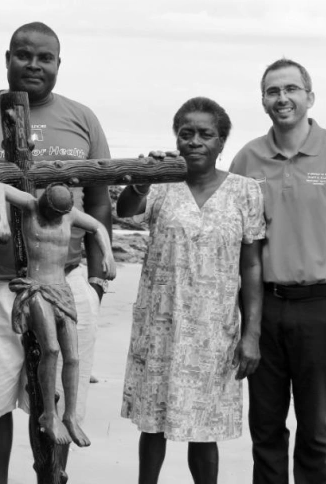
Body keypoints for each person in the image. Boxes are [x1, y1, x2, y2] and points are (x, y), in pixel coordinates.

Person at [0, 21, 112, 483]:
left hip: (61, 284)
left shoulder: (82, 118)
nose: (33, 64)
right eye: (23, 55)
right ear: (7, 58)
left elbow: (99, 201)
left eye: (44, 57)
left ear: (58, 64)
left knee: (55, 393)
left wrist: (94, 282)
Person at [229, 59, 326, 484]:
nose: (283, 98)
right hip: (262, 311)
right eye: (273, 91)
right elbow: (230, 238)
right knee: (265, 429)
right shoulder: (248, 157)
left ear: (309, 97)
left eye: (291, 89)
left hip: (320, 308)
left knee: (315, 431)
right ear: (263, 102)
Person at [118, 97, 265, 484]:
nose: (195, 141)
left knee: (205, 427)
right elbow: (126, 210)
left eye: (206, 134)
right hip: (160, 324)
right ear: (177, 139)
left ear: (221, 143)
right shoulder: (162, 186)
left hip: (214, 330)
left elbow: (251, 265)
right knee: (153, 421)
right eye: (187, 134)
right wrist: (141, 179)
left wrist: (252, 333)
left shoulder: (245, 192)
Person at [0, 181, 116, 447]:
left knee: (73, 356)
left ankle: (69, 416)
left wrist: (108, 255)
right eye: (52, 213)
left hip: (62, 288)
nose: (56, 219)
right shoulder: (30, 205)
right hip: (37, 288)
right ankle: (49, 414)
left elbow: (97, 226)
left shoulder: (69, 214)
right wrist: (1, 220)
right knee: (51, 349)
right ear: (44, 204)